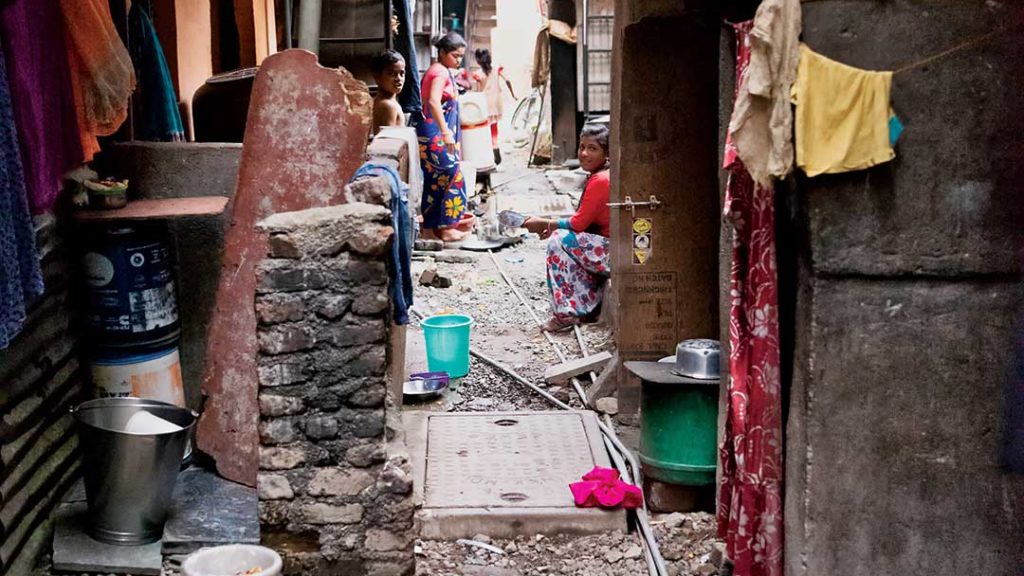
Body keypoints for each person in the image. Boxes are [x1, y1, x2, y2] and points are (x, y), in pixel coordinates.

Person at [523, 124, 611, 331]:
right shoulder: (601, 175)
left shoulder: (600, 180)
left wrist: (546, 223)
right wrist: (552, 224)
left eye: (592, 148)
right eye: (581, 147)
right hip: (612, 248)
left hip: (613, 252)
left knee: (559, 240)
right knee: (563, 237)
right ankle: (583, 307)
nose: (584, 154)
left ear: (606, 153)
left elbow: (578, 223)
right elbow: (583, 221)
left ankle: (565, 314)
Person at [417, 31, 475, 242]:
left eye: (461, 56)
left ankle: (432, 229)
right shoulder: (440, 72)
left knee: (437, 179)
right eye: (455, 55)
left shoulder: (442, 70)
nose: (458, 60)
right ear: (441, 52)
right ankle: (447, 227)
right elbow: (433, 101)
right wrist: (445, 132)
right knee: (452, 174)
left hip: (433, 132)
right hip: (434, 133)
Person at [471, 48, 516, 165]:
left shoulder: (477, 74)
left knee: (484, 128)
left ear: (477, 60)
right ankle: (495, 147)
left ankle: (489, 153)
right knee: (494, 128)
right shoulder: (497, 69)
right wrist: (513, 94)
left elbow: (478, 90)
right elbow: (508, 80)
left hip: (484, 103)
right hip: (496, 102)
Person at [370, 50, 406, 135]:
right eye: (392, 74)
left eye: (402, 73)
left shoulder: (383, 101)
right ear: (377, 77)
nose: (399, 78)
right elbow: (388, 144)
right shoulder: (388, 106)